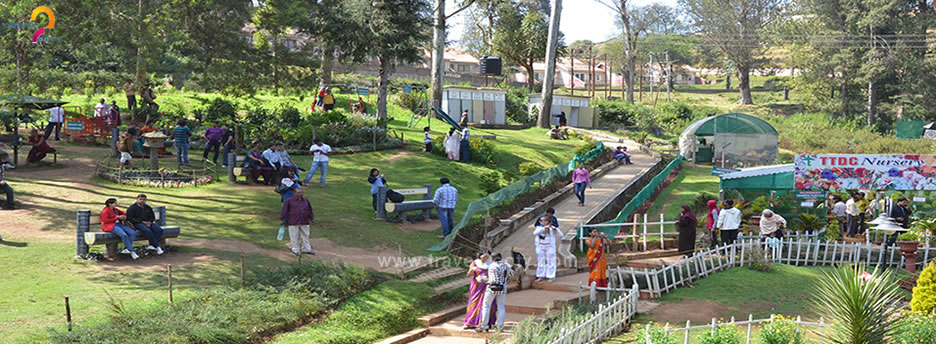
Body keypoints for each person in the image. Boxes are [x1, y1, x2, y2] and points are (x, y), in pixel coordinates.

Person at [476, 252, 513, 333]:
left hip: (492, 289)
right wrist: (504, 281)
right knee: (501, 307)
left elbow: (494, 280)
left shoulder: (493, 266)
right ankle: (500, 326)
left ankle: (484, 325)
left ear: (492, 259)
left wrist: (484, 280)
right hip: (503, 288)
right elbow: (511, 275)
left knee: (486, 306)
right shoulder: (506, 265)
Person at [464, 250, 497, 330]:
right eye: (484, 256)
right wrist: (473, 270)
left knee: (487, 304)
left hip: (487, 286)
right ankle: (470, 322)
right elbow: (468, 274)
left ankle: (487, 322)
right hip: (476, 286)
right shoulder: (475, 263)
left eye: (487, 256)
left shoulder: (492, 264)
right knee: (473, 302)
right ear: (480, 256)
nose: (485, 258)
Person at [280, 187, 315, 256]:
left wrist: (312, 218)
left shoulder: (306, 200)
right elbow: (284, 210)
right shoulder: (289, 201)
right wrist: (282, 219)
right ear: (295, 193)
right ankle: (295, 249)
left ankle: (306, 249)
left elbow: (310, 210)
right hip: (293, 221)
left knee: (306, 235)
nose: (300, 194)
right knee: (294, 235)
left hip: (304, 220)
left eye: (302, 192)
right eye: (299, 193)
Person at [533, 216, 562, 282]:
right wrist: (544, 228)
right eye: (540, 220)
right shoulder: (539, 228)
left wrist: (556, 230)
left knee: (551, 261)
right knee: (541, 261)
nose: (540, 221)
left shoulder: (552, 228)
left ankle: (551, 276)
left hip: (549, 247)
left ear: (546, 221)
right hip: (540, 246)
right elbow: (535, 233)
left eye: (542, 220)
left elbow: (561, 235)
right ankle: (541, 276)